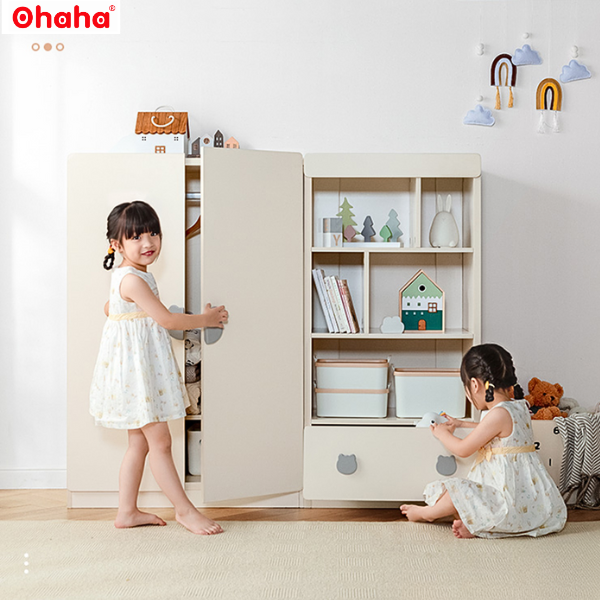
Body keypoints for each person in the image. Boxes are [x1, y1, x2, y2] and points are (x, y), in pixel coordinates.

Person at [89, 201, 228, 535]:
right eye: (136, 237)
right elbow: (166, 319)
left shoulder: (129, 275)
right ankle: (185, 511)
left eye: (153, 233)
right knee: (161, 443)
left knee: (138, 444)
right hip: (137, 375)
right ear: (116, 244)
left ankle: (127, 512)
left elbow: (110, 308)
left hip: (135, 371)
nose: (148, 242)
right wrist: (205, 319)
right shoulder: (132, 280)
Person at [400, 343, 567, 539]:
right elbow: (496, 431)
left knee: (456, 491)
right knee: (467, 496)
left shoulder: (498, 414)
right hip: (529, 499)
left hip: (509, 499)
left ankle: (426, 514)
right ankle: (476, 525)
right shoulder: (519, 407)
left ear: (474, 384)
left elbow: (463, 449)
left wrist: (442, 434)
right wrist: (462, 424)